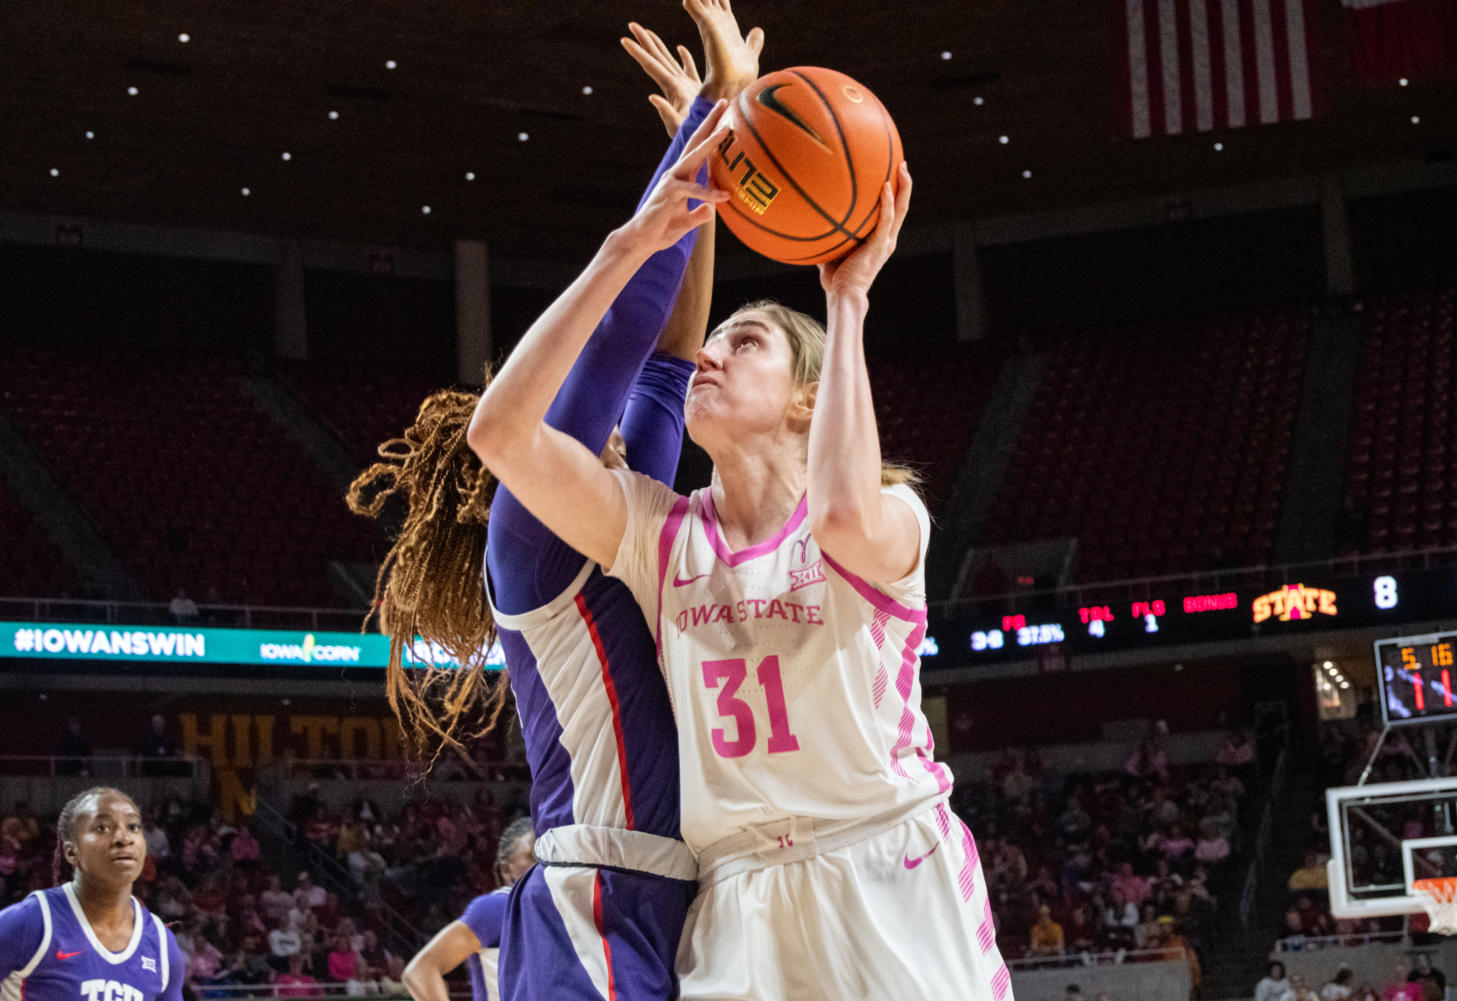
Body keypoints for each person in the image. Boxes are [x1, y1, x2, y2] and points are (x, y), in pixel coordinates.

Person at [474, 16, 1007, 999]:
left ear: (807, 396)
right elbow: (502, 435)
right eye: (715, 339)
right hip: (737, 896)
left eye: (748, 339)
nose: (709, 353)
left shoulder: (889, 521)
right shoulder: (659, 529)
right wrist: (636, 238)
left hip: (885, 863)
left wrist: (846, 300)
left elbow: (841, 513)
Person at [347, 4, 762, 999]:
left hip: (685, 892)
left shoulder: (620, 509)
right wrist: (711, 115)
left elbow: (667, 360)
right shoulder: (531, 538)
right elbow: (624, 330)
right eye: (574, 410)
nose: (604, 413)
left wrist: (699, 166)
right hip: (594, 900)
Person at [0, 787, 184, 1001]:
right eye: (102, 827)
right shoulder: (33, 921)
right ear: (71, 851)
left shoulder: (162, 944)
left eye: (133, 826)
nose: (123, 838)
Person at [402, 818, 536, 1001]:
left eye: (548, 855)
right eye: (532, 856)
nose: (542, 864)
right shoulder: (497, 908)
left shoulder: (564, 910)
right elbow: (421, 972)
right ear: (506, 869)